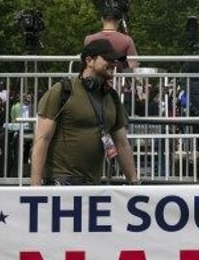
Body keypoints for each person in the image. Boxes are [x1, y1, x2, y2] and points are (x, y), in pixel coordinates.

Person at [30, 39, 139, 186]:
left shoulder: (111, 96)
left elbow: (122, 143)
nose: (113, 63)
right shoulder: (63, 91)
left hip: (93, 186)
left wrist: (134, 183)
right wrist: (35, 187)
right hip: (61, 184)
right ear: (89, 60)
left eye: (115, 60)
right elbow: (42, 140)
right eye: (108, 59)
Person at [84, 7, 138, 73]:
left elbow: (85, 63)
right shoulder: (127, 40)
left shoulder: (89, 39)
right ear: (119, 21)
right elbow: (133, 65)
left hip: (95, 80)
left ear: (102, 19)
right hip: (118, 80)